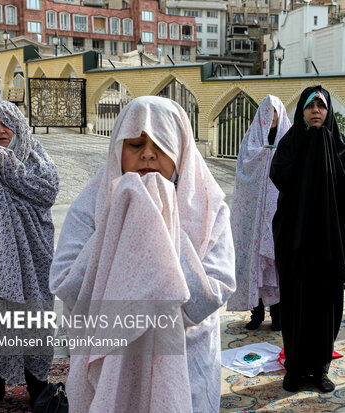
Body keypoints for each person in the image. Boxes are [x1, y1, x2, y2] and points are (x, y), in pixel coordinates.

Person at [49, 96, 236, 412]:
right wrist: (119, 224)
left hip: (186, 364)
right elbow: (66, 283)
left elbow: (212, 292)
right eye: (135, 144)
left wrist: (157, 229)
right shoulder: (90, 205)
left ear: (180, 150)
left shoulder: (208, 208)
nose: (148, 154)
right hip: (109, 360)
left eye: (161, 144)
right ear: (117, 151)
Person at [0, 101, 59, 411]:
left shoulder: (35, 159)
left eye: (6, 124)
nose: (0, 130)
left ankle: (37, 382)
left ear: (18, 125)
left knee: (31, 314)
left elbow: (47, 191)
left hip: (30, 256)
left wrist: (7, 166)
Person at [270, 86, 345, 393]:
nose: (316, 111)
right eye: (310, 106)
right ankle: (294, 368)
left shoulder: (342, 145)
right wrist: (309, 149)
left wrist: (322, 153)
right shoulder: (291, 141)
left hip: (330, 235)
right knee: (295, 300)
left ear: (329, 110)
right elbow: (278, 174)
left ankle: (320, 368)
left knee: (325, 302)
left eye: (321, 106)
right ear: (302, 112)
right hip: (294, 234)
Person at [227, 95, 291, 331]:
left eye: (274, 112)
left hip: (278, 209)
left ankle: (278, 315)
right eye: (266, 112)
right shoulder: (252, 138)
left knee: (276, 261)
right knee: (255, 257)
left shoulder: (289, 137)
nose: (270, 117)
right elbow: (244, 169)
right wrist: (263, 156)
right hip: (255, 212)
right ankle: (256, 313)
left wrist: (272, 155)